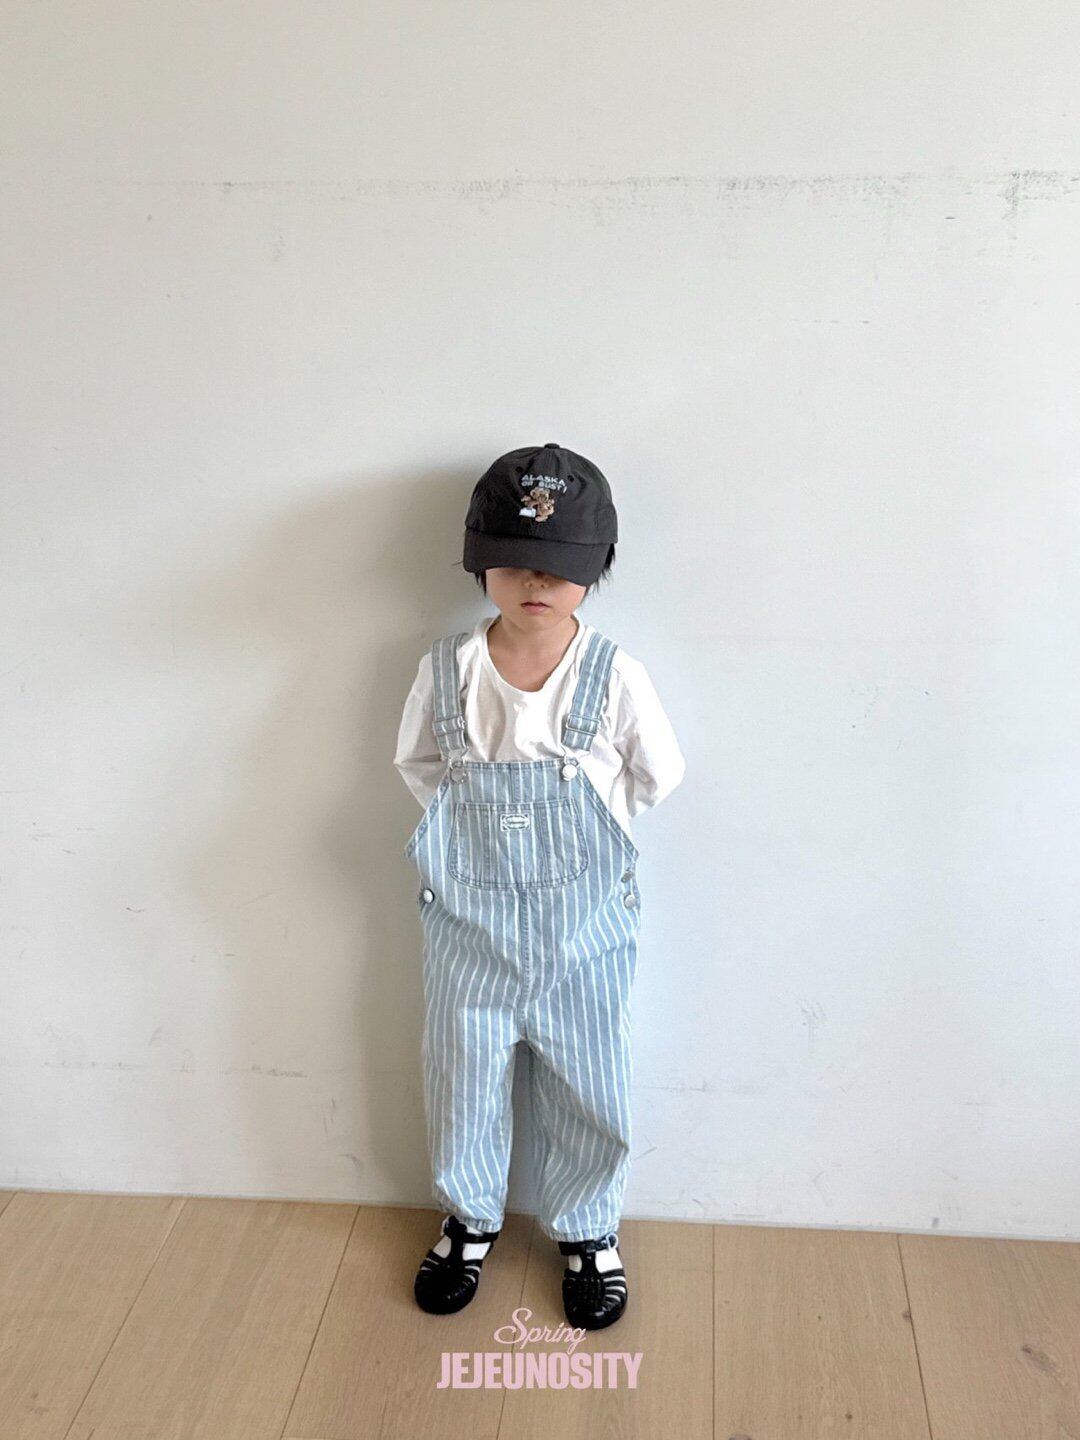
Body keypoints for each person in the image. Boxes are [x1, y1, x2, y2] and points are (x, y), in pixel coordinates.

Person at [394, 442, 685, 1329]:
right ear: (480, 560)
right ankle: (470, 1217)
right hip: (469, 927)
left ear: (594, 568)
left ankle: (589, 1231)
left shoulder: (614, 674)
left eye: (559, 565)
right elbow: (420, 766)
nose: (536, 580)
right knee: (462, 1076)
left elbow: (658, 773)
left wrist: (594, 828)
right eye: (517, 560)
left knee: (590, 1079)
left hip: (583, 931)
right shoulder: (447, 670)